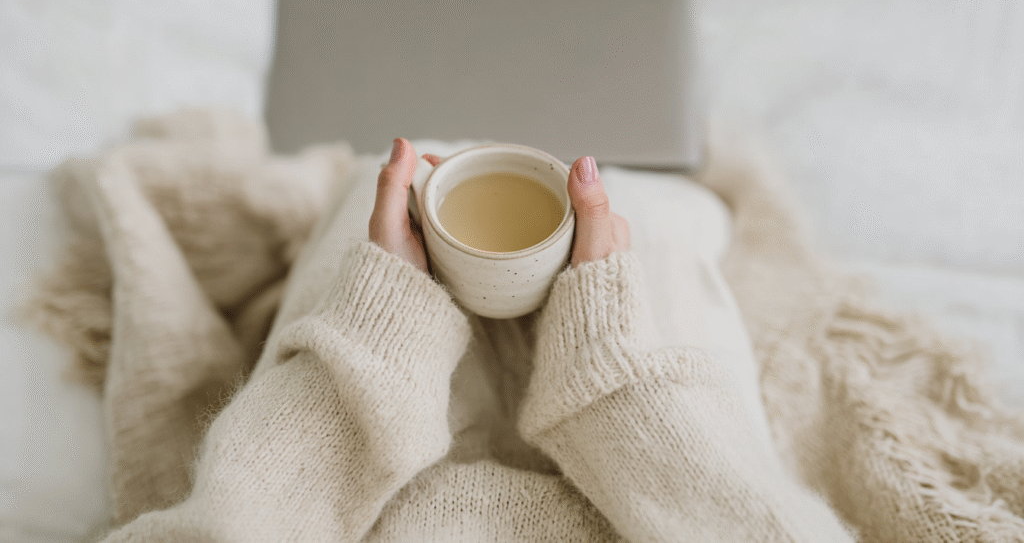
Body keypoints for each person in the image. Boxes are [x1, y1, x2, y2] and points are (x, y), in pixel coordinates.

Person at [102, 138, 853, 542]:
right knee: (652, 217)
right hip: (650, 480)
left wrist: (377, 336)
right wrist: (616, 378)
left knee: (378, 180)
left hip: (343, 505)